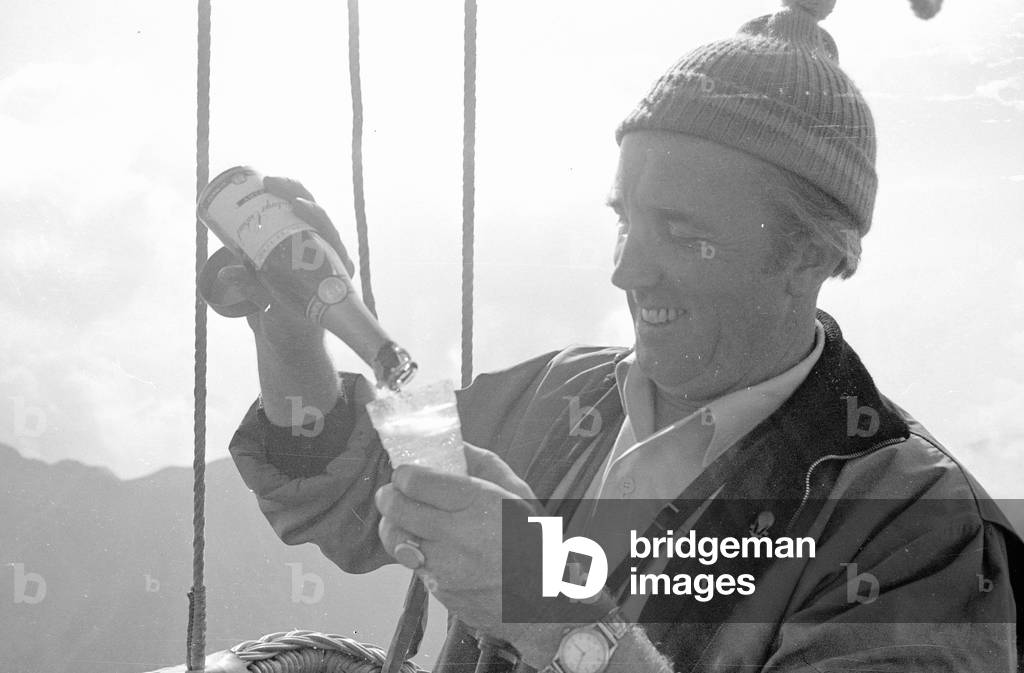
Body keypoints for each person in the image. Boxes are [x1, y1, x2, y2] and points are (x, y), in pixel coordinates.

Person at [219, 1, 1022, 670]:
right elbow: (352, 496)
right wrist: (289, 330)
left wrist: (548, 611)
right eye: (623, 220)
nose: (626, 271)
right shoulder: (560, 396)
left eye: (678, 231)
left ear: (810, 252)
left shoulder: (916, 525)